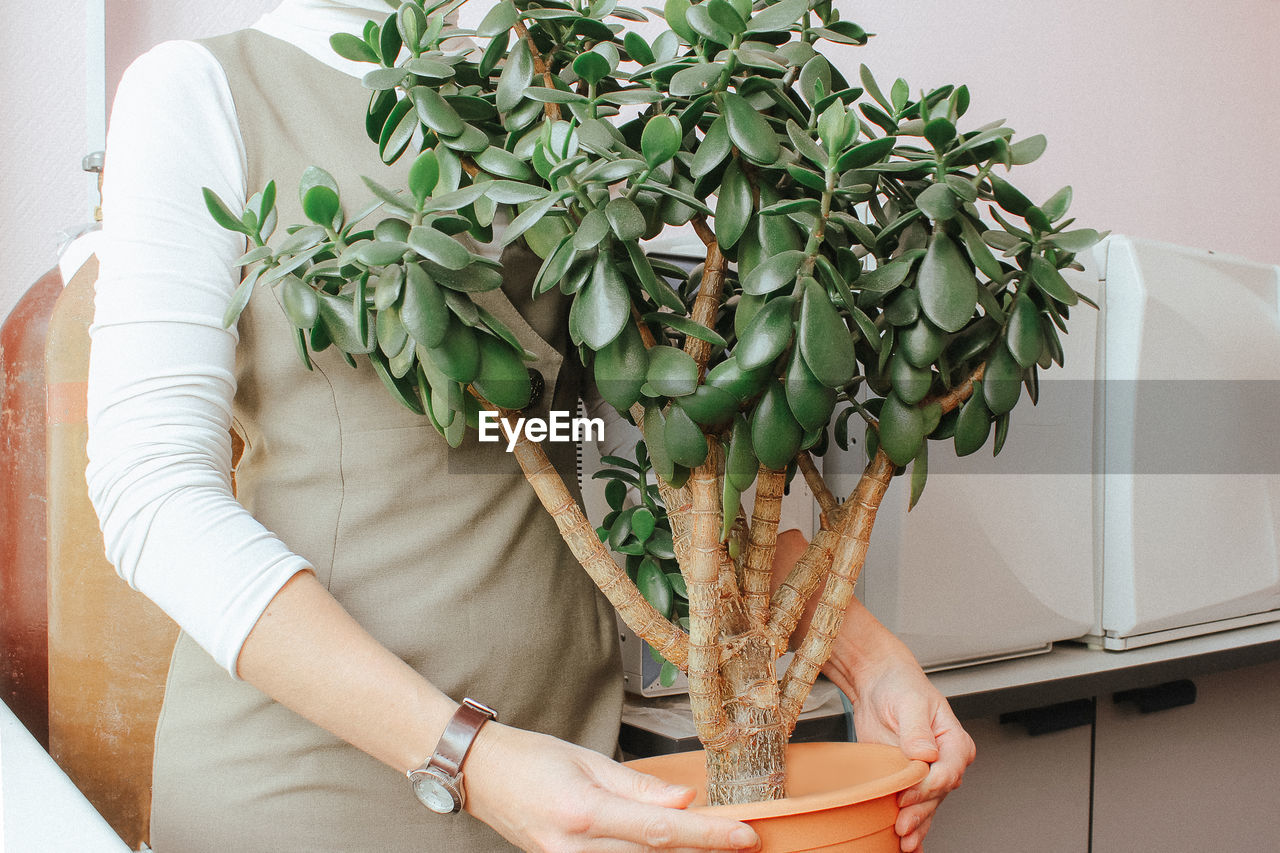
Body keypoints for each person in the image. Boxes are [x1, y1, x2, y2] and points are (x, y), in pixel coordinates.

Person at [86, 1, 974, 851]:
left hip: (572, 783)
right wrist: (469, 756)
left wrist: (860, 653)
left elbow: (644, 460)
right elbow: (151, 494)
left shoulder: (552, 97)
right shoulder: (201, 88)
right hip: (311, 796)